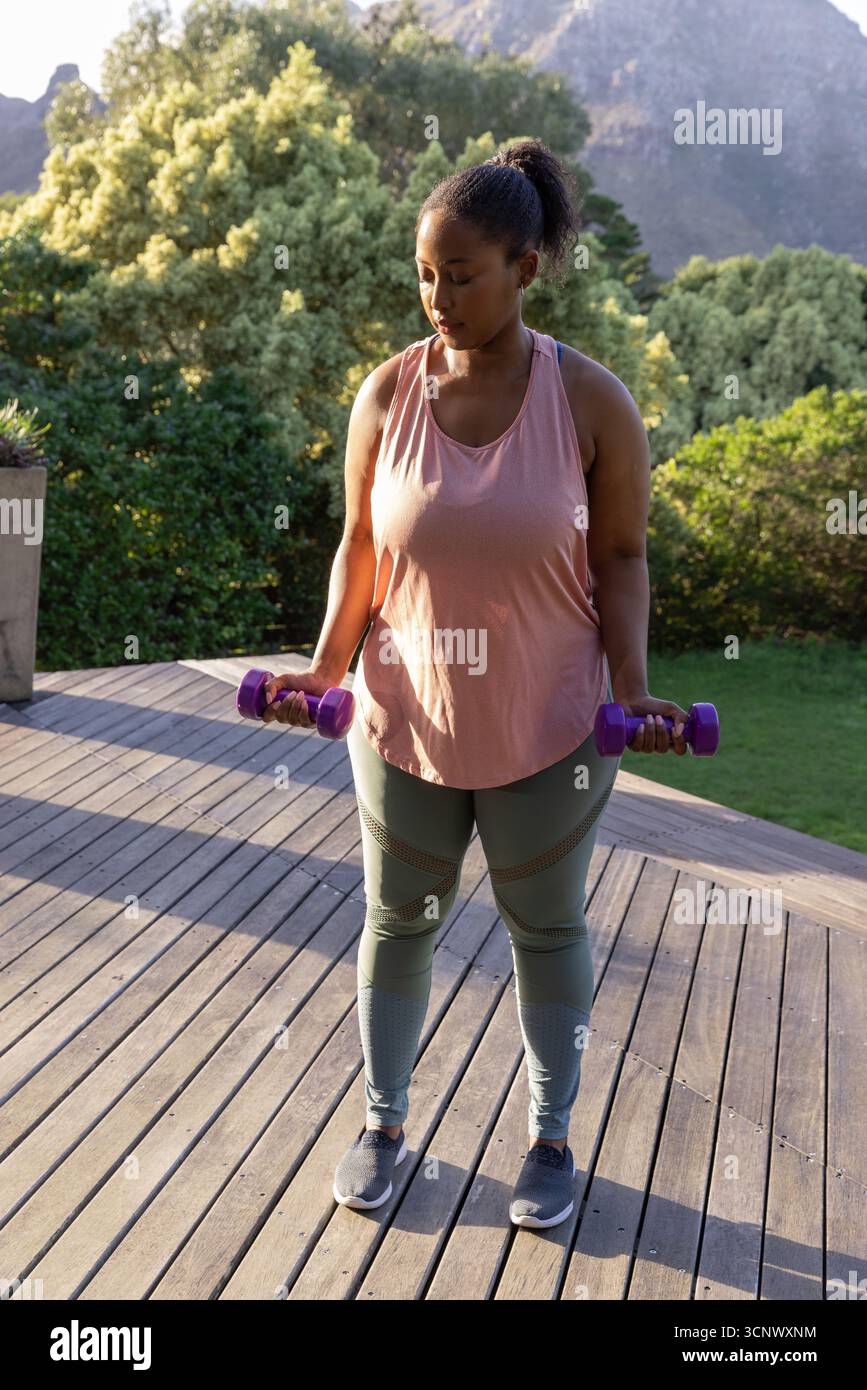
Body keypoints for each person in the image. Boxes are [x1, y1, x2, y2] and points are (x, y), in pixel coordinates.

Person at [262, 138, 690, 1230]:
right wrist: (325, 661)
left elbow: (623, 560)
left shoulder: (593, 402)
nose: (438, 295)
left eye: (463, 273)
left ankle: (550, 1137)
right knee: (398, 916)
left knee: (542, 926)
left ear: (525, 270)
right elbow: (360, 544)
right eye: (424, 272)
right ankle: (384, 1121)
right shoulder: (385, 393)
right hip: (403, 715)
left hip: (550, 722)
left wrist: (634, 685)